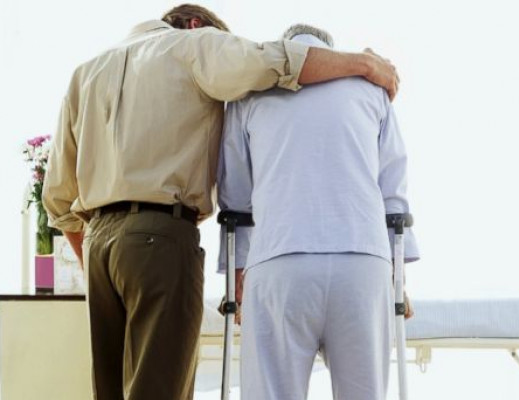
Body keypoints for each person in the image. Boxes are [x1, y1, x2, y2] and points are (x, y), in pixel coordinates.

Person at [41, 4, 400, 399]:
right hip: (159, 238)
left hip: (98, 247)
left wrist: (97, 259)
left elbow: (57, 198)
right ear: (196, 25)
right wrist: (363, 64)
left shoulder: (86, 73)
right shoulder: (194, 46)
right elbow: (277, 60)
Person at [218, 24, 419, 400]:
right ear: (331, 50)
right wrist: (398, 279)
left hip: (280, 260)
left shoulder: (248, 94)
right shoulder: (373, 89)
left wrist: (237, 275)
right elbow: (393, 192)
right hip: (363, 262)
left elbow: (236, 198)